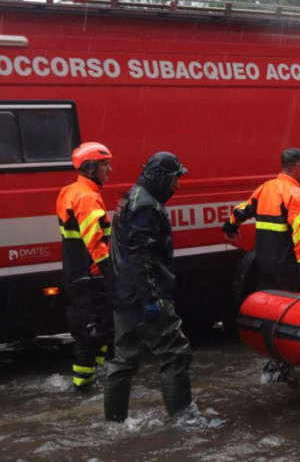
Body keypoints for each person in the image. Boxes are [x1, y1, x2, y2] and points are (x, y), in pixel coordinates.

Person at [104, 152, 193, 422]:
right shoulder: (145, 205)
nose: (177, 186)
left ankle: (114, 424)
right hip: (142, 295)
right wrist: (152, 299)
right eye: (175, 179)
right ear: (161, 177)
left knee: (124, 358)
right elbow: (141, 256)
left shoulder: (130, 197)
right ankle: (185, 422)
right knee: (175, 353)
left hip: (124, 294)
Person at [56, 142, 115, 390]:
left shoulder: (69, 191)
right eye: (105, 165)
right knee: (91, 332)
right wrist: (111, 274)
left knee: (99, 327)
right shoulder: (87, 198)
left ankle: (96, 377)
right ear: (91, 167)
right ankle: (83, 387)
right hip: (90, 276)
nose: (109, 170)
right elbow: (95, 243)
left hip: (76, 273)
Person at [222, 148, 300, 293]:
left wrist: (230, 226)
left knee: (269, 304)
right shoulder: (298, 196)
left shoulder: (265, 188)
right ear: (298, 166)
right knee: (290, 309)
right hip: (287, 268)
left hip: (264, 264)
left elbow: (244, 209)